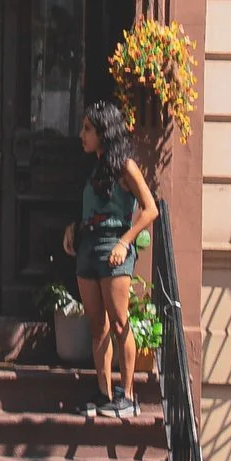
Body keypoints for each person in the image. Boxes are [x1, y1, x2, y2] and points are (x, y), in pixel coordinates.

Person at [64, 98, 158, 421]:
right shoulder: (95, 168)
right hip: (88, 247)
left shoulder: (125, 167)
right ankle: (104, 393)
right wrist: (73, 228)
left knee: (119, 323)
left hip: (113, 249)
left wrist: (125, 241)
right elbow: (94, 210)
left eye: (88, 129)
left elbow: (150, 209)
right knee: (97, 327)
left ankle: (128, 395)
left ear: (104, 131)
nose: (82, 135)